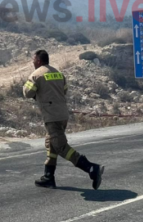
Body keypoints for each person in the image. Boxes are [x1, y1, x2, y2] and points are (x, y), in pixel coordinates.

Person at [23, 49, 104, 189]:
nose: (32, 62)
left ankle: (91, 168)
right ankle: (48, 177)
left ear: (38, 61)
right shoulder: (58, 73)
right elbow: (64, 90)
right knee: (51, 144)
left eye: (33, 59)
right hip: (62, 115)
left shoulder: (36, 75)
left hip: (51, 116)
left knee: (61, 147)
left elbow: (27, 93)